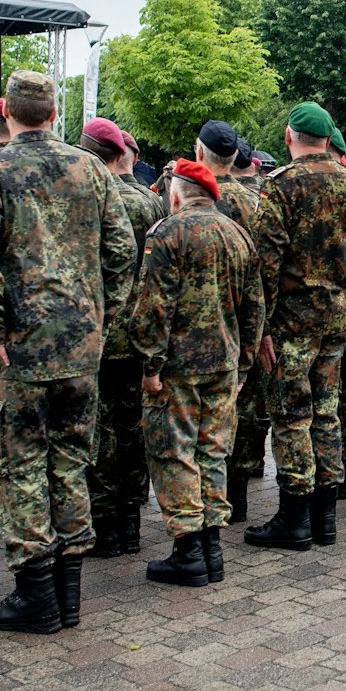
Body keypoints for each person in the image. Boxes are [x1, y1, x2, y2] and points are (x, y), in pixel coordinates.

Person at [0, 70, 137, 634]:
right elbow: (123, 250)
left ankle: (37, 597)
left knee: (20, 465)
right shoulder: (89, 168)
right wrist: (100, 318)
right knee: (71, 462)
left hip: (21, 352)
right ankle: (68, 595)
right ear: (55, 115)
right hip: (79, 347)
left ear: (7, 115)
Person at [244, 102, 346, 552]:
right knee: (326, 413)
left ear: (289, 137)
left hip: (290, 324)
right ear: (327, 138)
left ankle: (295, 517)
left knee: (291, 416)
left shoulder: (281, 187)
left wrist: (259, 328)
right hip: (335, 319)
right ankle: (325, 518)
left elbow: (265, 263)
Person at [130, 161, 263, 587]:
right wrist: (243, 364)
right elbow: (254, 308)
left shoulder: (167, 233)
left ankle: (188, 550)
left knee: (175, 451)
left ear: (175, 193)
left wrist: (150, 365)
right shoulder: (237, 234)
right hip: (224, 363)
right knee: (213, 450)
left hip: (178, 366)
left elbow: (154, 306)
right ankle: (212, 548)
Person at [77, 116, 165, 558]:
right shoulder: (149, 203)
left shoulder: (94, 196)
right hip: (141, 333)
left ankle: (107, 521)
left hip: (101, 333)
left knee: (102, 430)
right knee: (132, 426)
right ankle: (131, 516)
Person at [195, 119, 265, 524]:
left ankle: (205, 507)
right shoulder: (253, 201)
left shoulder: (197, 196)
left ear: (200, 152)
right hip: (243, 321)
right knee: (239, 412)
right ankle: (234, 500)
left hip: (199, 329)